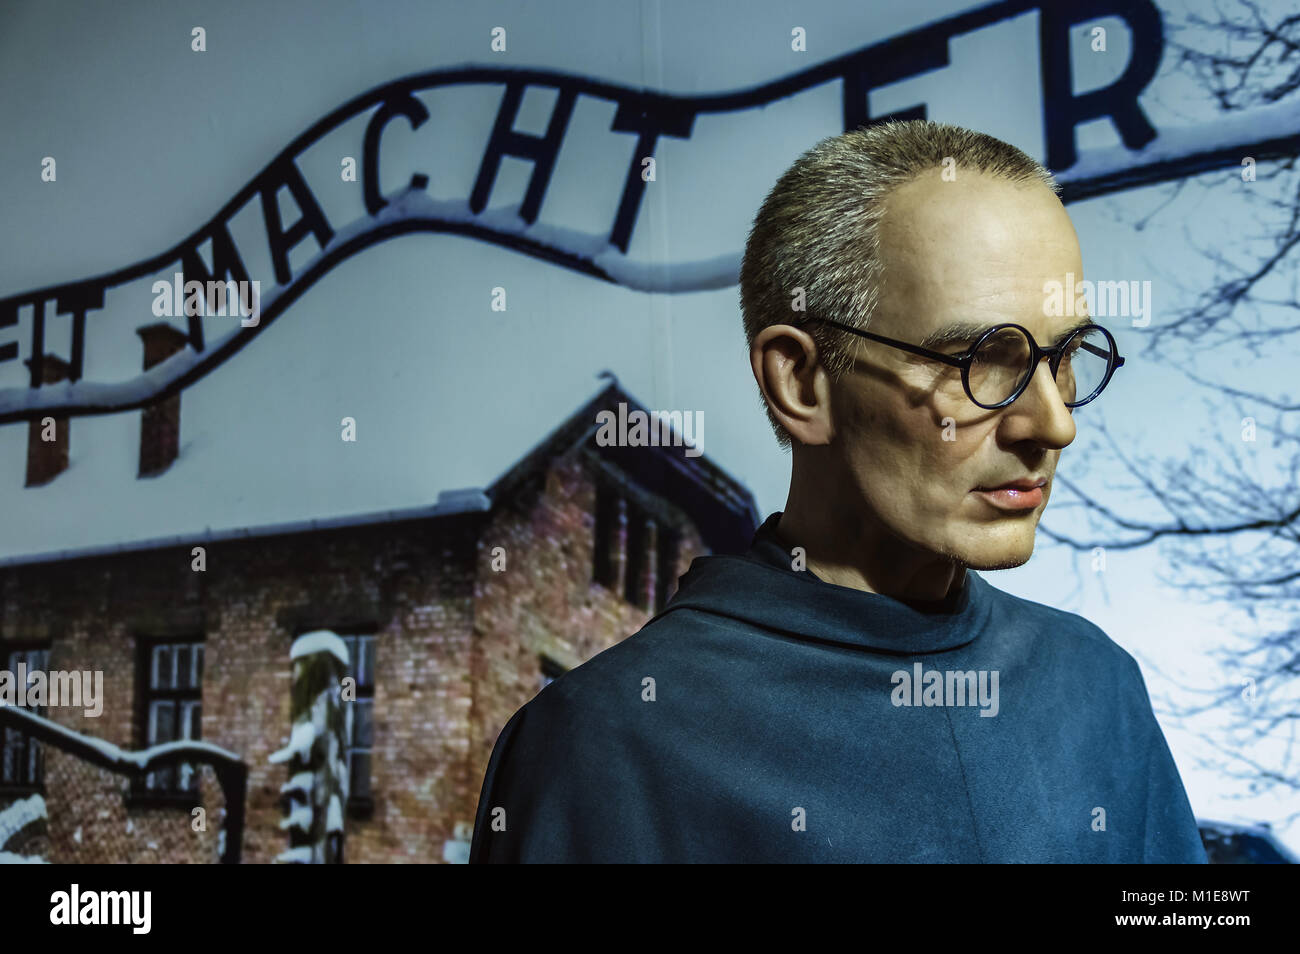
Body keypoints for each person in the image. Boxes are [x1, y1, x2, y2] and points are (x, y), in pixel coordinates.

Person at [469, 120, 1207, 863]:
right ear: (802, 382)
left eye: (1066, 356)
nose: (1053, 425)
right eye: (983, 360)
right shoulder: (602, 744)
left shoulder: (1098, 690)